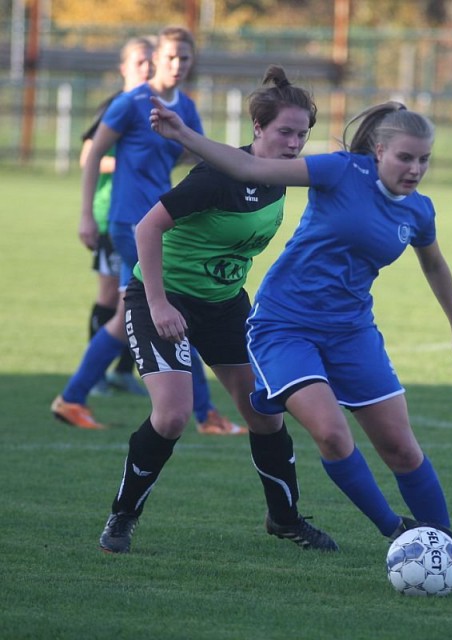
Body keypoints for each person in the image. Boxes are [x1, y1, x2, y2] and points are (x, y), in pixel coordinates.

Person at [146, 98, 452, 590]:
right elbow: (248, 164)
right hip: (284, 326)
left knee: (401, 449)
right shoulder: (339, 172)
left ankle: (444, 550)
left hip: (352, 331)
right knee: (331, 434)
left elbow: (433, 263)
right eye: (405, 158)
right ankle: (397, 533)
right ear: (378, 151)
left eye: (424, 160)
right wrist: (183, 134)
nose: (415, 169)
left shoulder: (419, 210)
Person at [98, 65, 338, 555]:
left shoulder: (280, 178)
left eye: (302, 134)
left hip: (225, 306)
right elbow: (148, 229)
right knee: (172, 416)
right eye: (285, 132)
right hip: (161, 299)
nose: (295, 143)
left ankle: (284, 519)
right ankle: (122, 517)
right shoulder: (219, 176)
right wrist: (160, 303)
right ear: (258, 129)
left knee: (265, 413)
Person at [51, 26, 243, 434]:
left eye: (185, 58)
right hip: (130, 224)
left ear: (192, 63)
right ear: (156, 58)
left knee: (128, 318)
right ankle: (205, 414)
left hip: (161, 221)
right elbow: (93, 155)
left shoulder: (186, 106)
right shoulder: (130, 102)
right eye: (170, 56)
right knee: (170, 307)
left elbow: (192, 150)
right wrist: (87, 215)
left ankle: (72, 398)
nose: (177, 65)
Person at [80, 36, 154, 398]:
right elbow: (87, 156)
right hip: (114, 216)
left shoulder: (155, 104)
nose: (148, 68)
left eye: (151, 62)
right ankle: (93, 376)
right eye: (141, 62)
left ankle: (123, 372)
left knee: (135, 295)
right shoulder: (118, 105)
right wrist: (130, 161)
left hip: (144, 217)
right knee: (113, 296)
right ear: (123, 67)